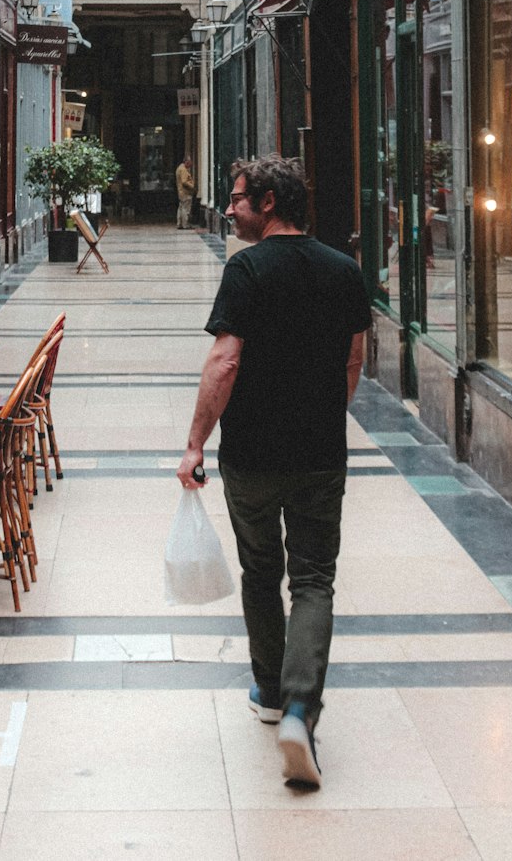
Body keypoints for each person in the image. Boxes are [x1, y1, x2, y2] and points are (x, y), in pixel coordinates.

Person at [177, 155, 371, 791]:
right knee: (314, 579)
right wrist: (321, 416)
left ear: (266, 201)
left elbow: (225, 361)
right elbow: (353, 360)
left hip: (253, 456)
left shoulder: (246, 268)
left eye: (236, 199)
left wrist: (195, 443)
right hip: (320, 455)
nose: (228, 209)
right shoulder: (345, 270)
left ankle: (266, 688)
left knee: (262, 572)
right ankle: (298, 709)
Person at [175, 155, 195, 229]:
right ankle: (185, 224)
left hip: (181, 192)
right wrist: (192, 186)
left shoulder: (179, 168)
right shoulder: (183, 170)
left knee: (181, 207)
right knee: (186, 209)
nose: (191, 164)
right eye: (190, 163)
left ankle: (179, 223)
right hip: (185, 192)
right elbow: (184, 181)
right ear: (186, 162)